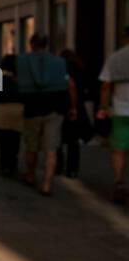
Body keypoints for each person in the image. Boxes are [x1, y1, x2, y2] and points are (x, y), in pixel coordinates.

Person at [16, 32, 76, 196]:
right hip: (55, 109)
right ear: (47, 44)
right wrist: (73, 107)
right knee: (51, 149)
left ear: (31, 44)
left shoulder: (21, 60)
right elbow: (70, 84)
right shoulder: (59, 62)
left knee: (32, 146)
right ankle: (47, 184)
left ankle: (30, 174)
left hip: (32, 109)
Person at [97, 26, 129, 204]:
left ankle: (118, 182)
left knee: (118, 150)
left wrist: (103, 107)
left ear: (125, 37)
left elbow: (105, 86)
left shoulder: (115, 58)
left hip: (120, 110)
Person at [58, 49, 91, 179]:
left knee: (58, 139)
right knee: (73, 141)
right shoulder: (80, 69)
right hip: (78, 107)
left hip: (64, 106)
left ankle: (58, 166)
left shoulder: (61, 70)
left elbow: (70, 87)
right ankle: (72, 169)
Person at [0, 53, 23, 176]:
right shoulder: (21, 76)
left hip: (1, 110)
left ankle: (4, 165)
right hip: (18, 110)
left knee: (3, 139)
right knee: (15, 138)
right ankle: (13, 163)